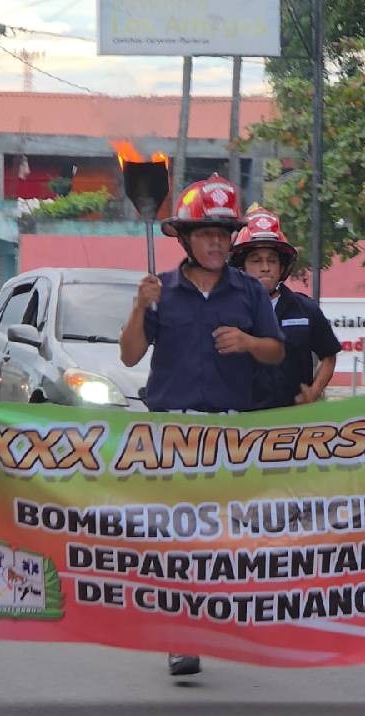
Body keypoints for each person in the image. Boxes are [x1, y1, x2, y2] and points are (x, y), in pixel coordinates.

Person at [120, 174, 284, 676]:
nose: (216, 241)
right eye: (206, 232)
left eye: (224, 232)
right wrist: (137, 305)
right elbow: (129, 357)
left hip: (229, 434)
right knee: (175, 538)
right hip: (170, 432)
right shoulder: (160, 290)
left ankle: (206, 621)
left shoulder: (248, 293)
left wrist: (249, 344)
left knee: (217, 538)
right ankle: (180, 635)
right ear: (185, 238)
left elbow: (276, 352)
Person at [228, 208, 341, 408]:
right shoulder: (224, 312)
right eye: (256, 260)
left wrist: (313, 393)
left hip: (293, 426)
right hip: (240, 426)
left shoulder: (306, 309)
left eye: (272, 260)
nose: (265, 267)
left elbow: (329, 355)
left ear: (282, 267)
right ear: (241, 267)